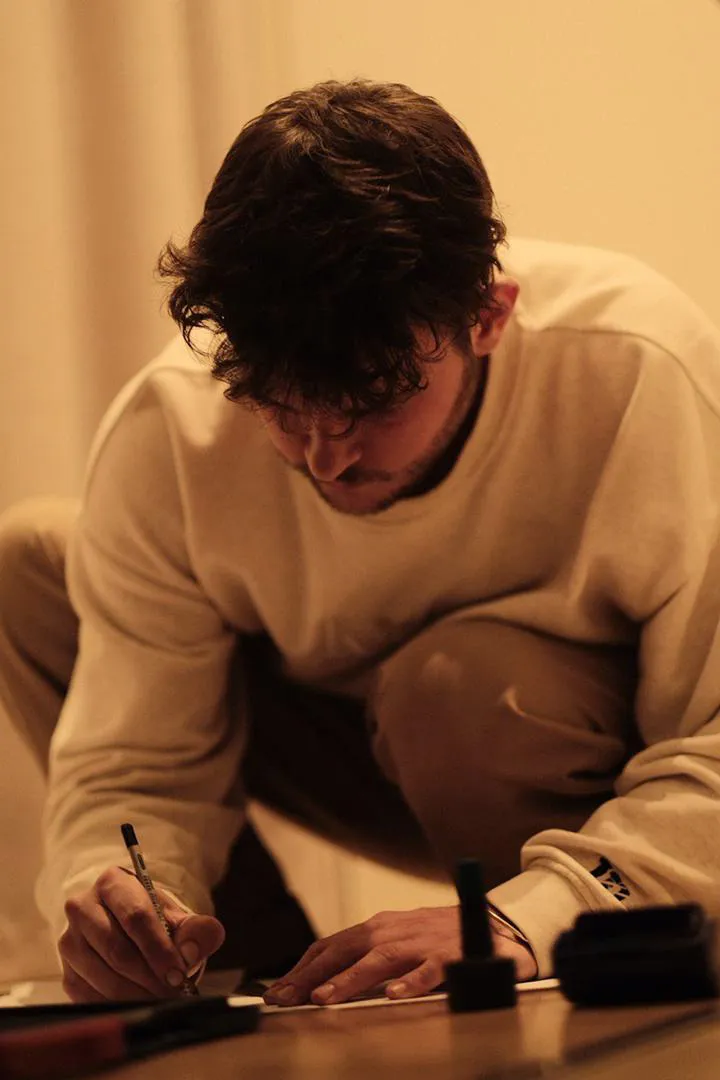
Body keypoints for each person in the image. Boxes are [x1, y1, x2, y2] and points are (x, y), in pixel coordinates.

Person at [1, 78, 719, 1007]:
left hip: (563, 757)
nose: (324, 458)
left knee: (454, 689)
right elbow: (135, 761)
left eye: (372, 404)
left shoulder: (637, 370)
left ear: (488, 316)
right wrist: (115, 886)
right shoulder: (173, 425)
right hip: (355, 742)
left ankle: (553, 953)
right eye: (279, 406)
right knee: (32, 562)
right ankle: (249, 983)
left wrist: (530, 914)